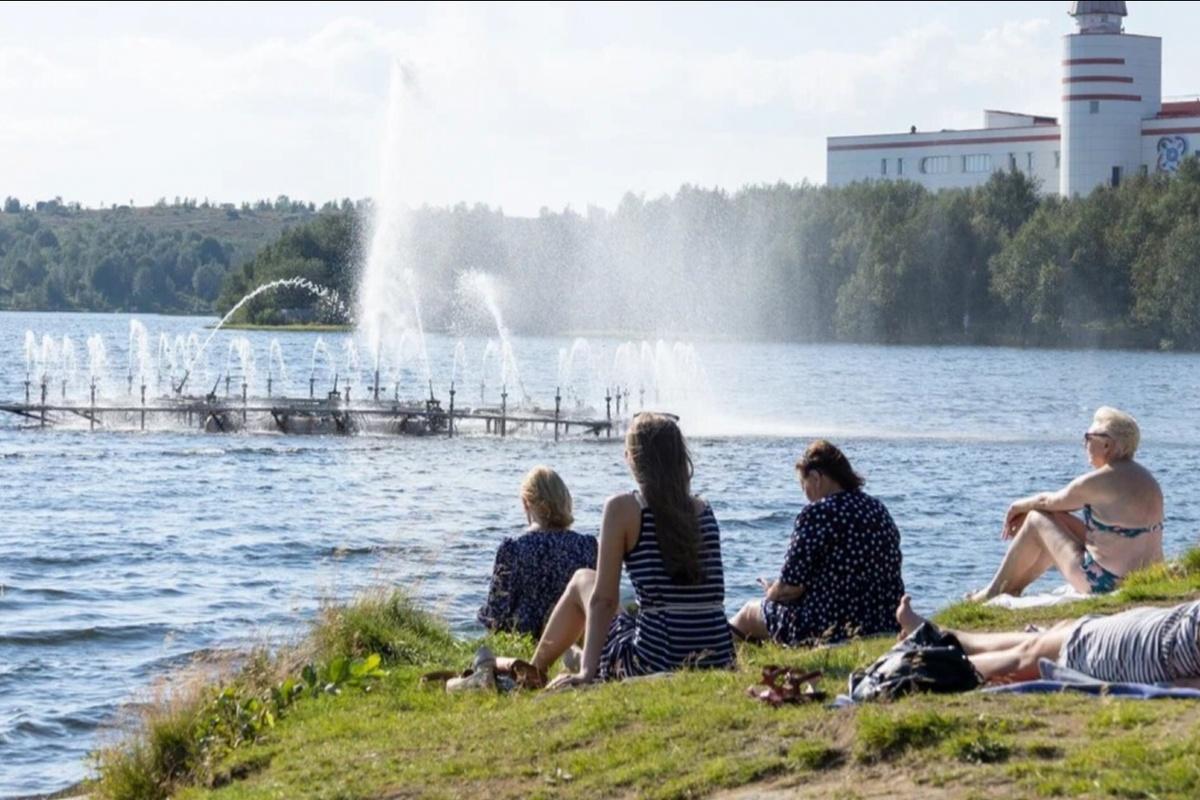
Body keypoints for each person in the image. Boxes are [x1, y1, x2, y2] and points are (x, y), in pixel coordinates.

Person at [500, 413, 735, 688]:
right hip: (719, 655)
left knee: (582, 580)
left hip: (654, 660)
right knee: (632, 611)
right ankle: (569, 658)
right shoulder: (704, 510)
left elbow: (603, 601)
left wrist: (587, 675)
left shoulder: (624, 509)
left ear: (632, 458)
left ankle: (535, 672)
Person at [967, 407, 1163, 602]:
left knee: (1036, 518)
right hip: (1146, 578)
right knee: (1054, 519)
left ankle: (994, 591)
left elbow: (1048, 501)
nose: (1084, 445)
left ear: (1106, 445)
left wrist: (1016, 507)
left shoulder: (1097, 481)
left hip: (1104, 583)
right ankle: (1012, 588)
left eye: (1088, 438)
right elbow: (1055, 508)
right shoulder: (1147, 479)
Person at [729, 440, 905, 646]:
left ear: (815, 478)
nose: (805, 494)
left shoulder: (818, 513)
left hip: (830, 626)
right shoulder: (878, 509)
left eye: (803, 485)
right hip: (885, 622)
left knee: (749, 613)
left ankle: (715, 663)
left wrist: (771, 592)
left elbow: (790, 587)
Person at [896, 594, 1200, 686]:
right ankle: (946, 639)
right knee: (1058, 635)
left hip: (1155, 650)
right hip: (1167, 632)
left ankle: (922, 667)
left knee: (1031, 657)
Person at [476, 466, 597, 638]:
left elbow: (496, 614)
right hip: (572, 635)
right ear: (565, 500)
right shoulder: (587, 545)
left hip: (525, 635)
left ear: (526, 503)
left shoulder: (513, 548)